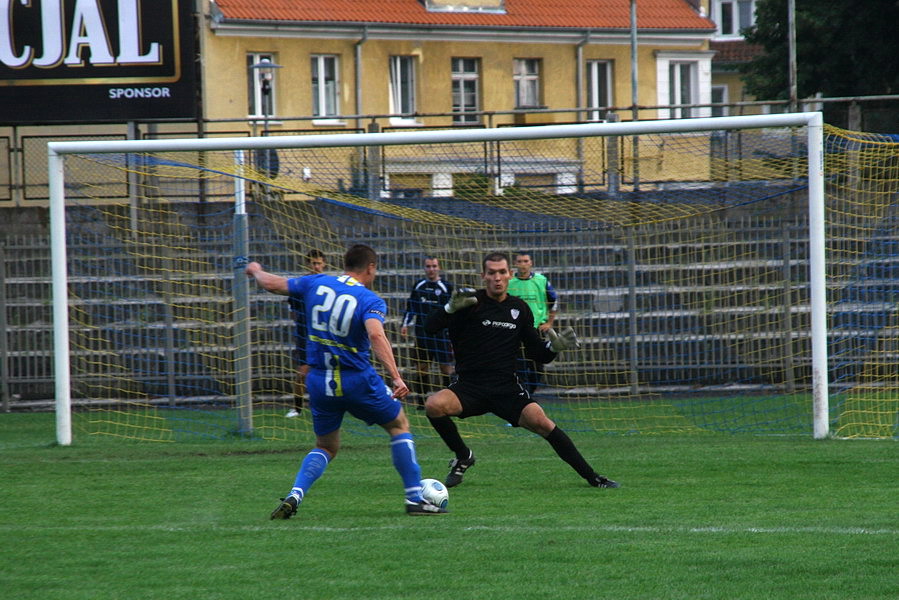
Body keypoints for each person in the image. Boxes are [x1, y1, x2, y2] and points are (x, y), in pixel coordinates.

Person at [246, 244, 447, 518]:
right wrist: (396, 376)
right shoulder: (370, 300)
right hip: (356, 379)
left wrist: (256, 270)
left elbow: (272, 284)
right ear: (371, 267)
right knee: (399, 424)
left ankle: (295, 494)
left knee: (326, 446)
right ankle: (414, 498)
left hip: (318, 381)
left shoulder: (316, 283)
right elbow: (376, 335)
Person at [423, 251, 619, 489]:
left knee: (543, 422)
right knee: (434, 405)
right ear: (483, 275)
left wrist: (554, 347)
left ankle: (594, 478)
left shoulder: (519, 308)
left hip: (506, 388)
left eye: (502, 272)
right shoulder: (468, 302)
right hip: (469, 386)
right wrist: (449, 309)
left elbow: (539, 354)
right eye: (492, 273)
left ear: (510, 274)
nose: (497, 278)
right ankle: (464, 455)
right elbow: (428, 329)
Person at [401, 257, 455, 408]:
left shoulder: (446, 287)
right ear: (424, 268)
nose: (431, 269)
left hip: (441, 335)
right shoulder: (419, 286)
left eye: (434, 266)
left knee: (446, 367)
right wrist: (405, 324)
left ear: (439, 268)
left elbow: (453, 310)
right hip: (422, 334)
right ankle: (421, 401)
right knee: (422, 367)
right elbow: (411, 307)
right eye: (428, 266)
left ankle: (448, 400)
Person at [507, 251, 558, 395]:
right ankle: (523, 393)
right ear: (515, 264)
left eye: (525, 261)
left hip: (536, 329)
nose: (522, 264)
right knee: (518, 364)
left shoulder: (541, 280)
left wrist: (549, 323)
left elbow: (554, 301)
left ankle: (530, 390)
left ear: (531, 263)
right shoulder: (509, 282)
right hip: (514, 330)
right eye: (519, 261)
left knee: (537, 365)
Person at [285, 249, 326, 418]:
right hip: (305, 335)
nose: (316, 266)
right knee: (302, 373)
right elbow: (292, 310)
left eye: (318, 263)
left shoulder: (329, 284)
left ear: (324, 264)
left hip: (325, 334)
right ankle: (297, 407)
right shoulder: (300, 284)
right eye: (313, 263)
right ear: (307, 264)